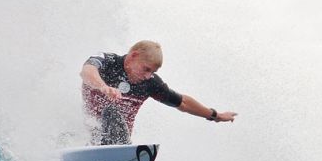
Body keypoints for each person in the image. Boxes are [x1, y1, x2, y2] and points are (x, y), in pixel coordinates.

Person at [80, 40, 237, 145]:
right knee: (70, 131)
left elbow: (182, 103)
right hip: (88, 134)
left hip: (117, 142)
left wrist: (215, 115)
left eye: (152, 72)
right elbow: (86, 71)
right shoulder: (109, 62)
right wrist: (102, 86)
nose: (148, 76)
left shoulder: (150, 84)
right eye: (146, 69)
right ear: (133, 56)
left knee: (112, 111)